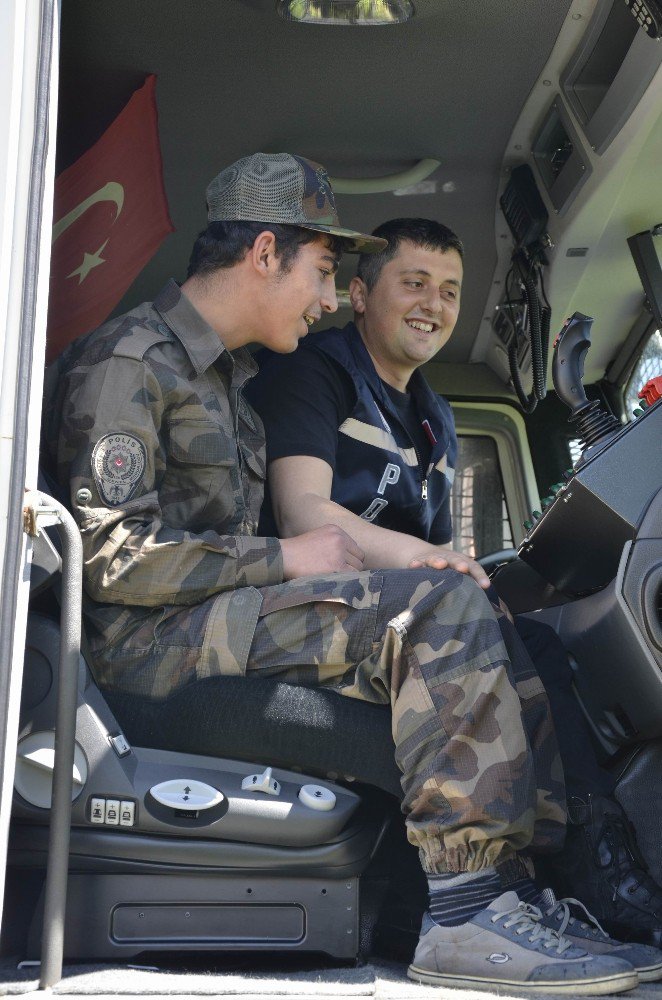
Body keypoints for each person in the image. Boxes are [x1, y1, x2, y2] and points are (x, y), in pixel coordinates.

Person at [43, 155, 651, 995]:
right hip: (144, 647)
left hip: (213, 619)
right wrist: (288, 558)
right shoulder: (130, 360)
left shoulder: (227, 379)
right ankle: (470, 907)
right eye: (324, 272)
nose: (330, 299)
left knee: (483, 618)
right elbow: (105, 558)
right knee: (435, 607)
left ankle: (549, 886)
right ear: (265, 253)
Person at [247, 216, 662, 950]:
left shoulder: (436, 417)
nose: (432, 305)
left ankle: (584, 865)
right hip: (305, 607)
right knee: (476, 627)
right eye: (413, 283)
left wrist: (477, 581)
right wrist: (426, 562)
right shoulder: (316, 371)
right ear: (357, 293)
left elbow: (440, 556)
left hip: (398, 617)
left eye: (449, 290)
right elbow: (299, 510)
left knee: (533, 639)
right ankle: (506, 891)